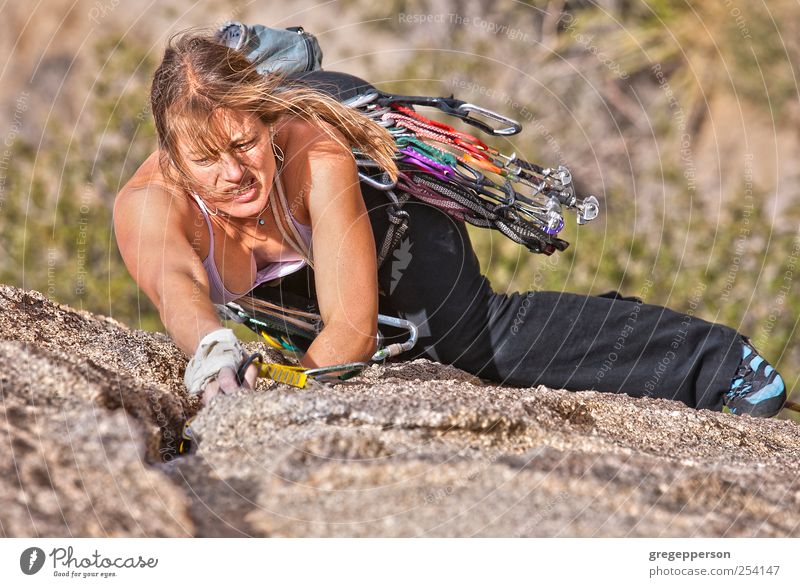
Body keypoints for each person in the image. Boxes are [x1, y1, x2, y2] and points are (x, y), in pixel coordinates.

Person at [114, 31, 787, 417]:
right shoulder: (147, 207)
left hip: (392, 234)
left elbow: (350, 326)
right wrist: (213, 352)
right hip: (295, 293)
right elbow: (179, 290)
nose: (235, 172)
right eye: (207, 159)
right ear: (173, 160)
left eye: (245, 144)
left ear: (267, 120)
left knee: (482, 344)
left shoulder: (313, 152)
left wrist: (281, 402)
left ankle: (725, 366)